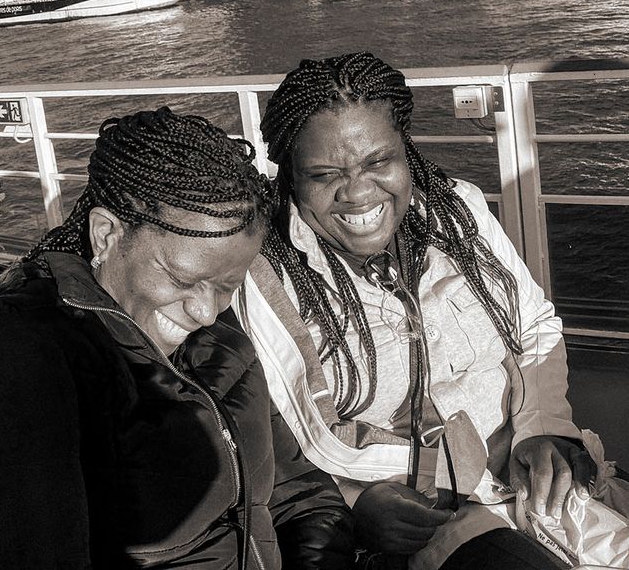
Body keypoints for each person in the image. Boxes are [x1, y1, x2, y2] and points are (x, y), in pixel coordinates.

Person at [0, 107, 354, 570]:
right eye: (181, 280)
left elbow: (300, 495)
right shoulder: (15, 360)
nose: (205, 311)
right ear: (106, 234)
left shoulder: (217, 331)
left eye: (226, 286)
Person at [233, 52, 603, 570]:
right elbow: (304, 435)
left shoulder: (459, 213)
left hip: (524, 472)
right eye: (323, 174)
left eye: (378, 162)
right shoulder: (269, 278)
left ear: (406, 152)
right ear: (291, 180)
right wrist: (359, 501)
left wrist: (543, 426)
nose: (358, 192)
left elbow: (534, 324)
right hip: (429, 516)